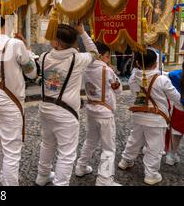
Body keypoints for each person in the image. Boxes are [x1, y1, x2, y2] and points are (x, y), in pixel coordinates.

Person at [36, 23, 98, 186]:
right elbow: (94, 53)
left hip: (46, 108)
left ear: (57, 43)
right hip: (66, 113)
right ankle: (60, 183)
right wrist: (83, 33)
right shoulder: (78, 59)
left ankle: (42, 176)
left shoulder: (44, 57)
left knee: (47, 144)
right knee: (67, 153)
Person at [0, 5, 37, 186]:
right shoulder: (16, 44)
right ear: (8, 20)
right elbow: (31, 72)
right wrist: (28, 50)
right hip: (10, 101)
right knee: (12, 151)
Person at [118, 49, 180, 185]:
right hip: (156, 118)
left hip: (138, 115)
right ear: (156, 62)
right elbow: (176, 97)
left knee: (134, 139)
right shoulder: (162, 79)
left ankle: (125, 161)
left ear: (138, 63)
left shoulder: (133, 77)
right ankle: (151, 174)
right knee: (155, 147)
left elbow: (135, 93)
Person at [75, 42, 122, 186]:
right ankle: (104, 179)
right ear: (100, 56)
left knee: (90, 140)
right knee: (108, 147)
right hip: (105, 112)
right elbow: (118, 89)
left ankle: (81, 167)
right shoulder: (106, 70)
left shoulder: (86, 68)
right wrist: (112, 72)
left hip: (91, 109)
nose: (108, 59)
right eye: (108, 56)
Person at [164, 63, 184, 166]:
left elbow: (162, 75)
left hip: (179, 109)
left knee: (176, 133)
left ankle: (170, 155)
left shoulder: (175, 75)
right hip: (179, 109)